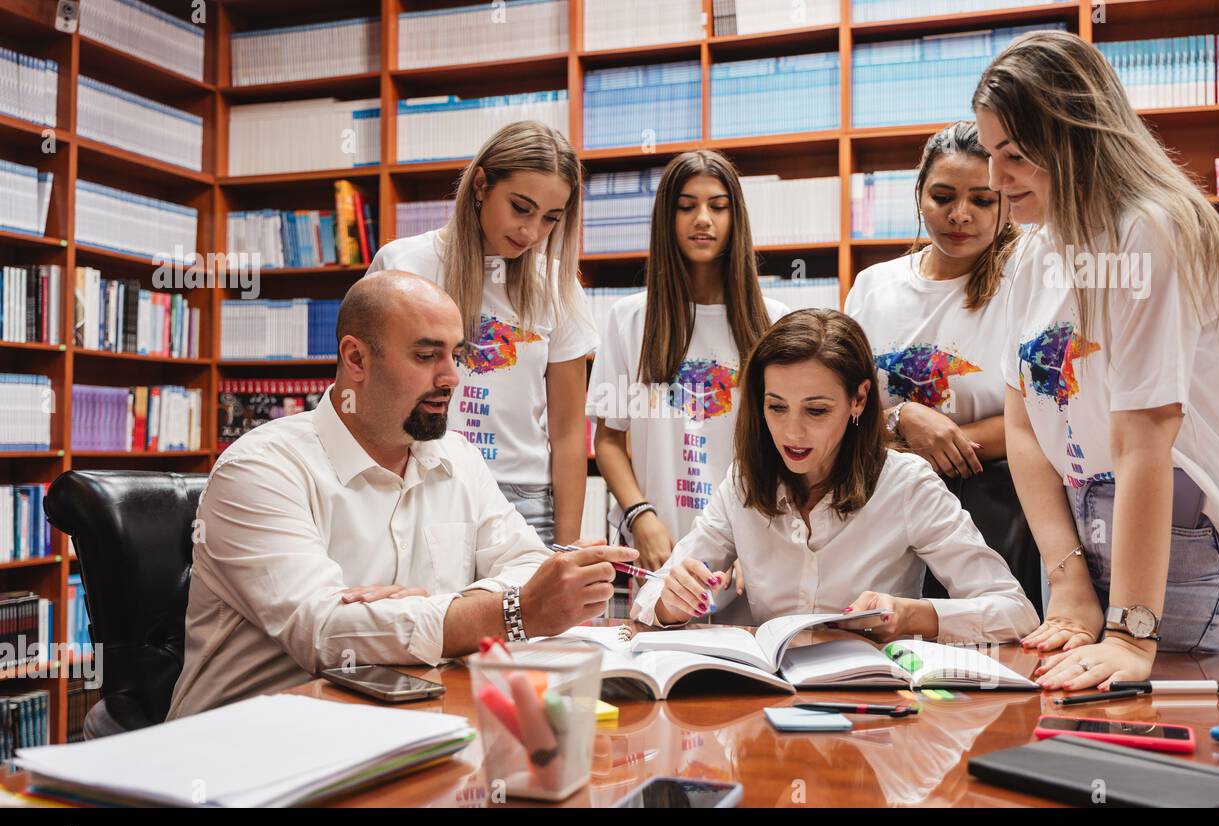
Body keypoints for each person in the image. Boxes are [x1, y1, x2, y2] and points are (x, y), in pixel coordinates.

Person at [168, 270, 635, 718]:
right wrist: (510, 611)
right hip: (246, 753)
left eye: (456, 354)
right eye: (427, 355)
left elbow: (527, 564)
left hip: (394, 728)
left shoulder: (458, 457)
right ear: (356, 360)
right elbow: (326, 633)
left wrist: (433, 609)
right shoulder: (260, 469)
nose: (452, 377)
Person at [971, 30, 1219, 689]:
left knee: (1152, 755)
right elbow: (1022, 425)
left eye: (1013, 155)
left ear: (1073, 140)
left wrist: (1132, 630)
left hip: (1176, 553)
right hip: (1082, 541)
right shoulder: (1034, 250)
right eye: (991, 154)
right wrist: (1068, 576)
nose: (994, 181)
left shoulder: (1151, 230)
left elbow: (1142, 442)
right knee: (1077, 752)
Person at [630, 309, 1038, 646]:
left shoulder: (906, 483)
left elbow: (1015, 612)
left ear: (859, 398)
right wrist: (671, 602)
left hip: (872, 715)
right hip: (769, 705)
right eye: (777, 407)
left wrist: (915, 615)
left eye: (817, 410)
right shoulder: (744, 482)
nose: (792, 433)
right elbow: (651, 596)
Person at [368, 120, 597, 546]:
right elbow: (366, 396)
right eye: (520, 208)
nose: (531, 232)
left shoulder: (558, 287)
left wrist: (564, 549)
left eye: (550, 219)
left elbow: (567, 434)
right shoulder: (404, 265)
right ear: (480, 184)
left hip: (524, 505)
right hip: (419, 488)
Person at [588, 150, 787, 612]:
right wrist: (641, 516)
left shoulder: (775, 322)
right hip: (662, 545)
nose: (703, 219)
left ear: (735, 217)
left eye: (717, 206)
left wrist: (758, 535)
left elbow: (788, 447)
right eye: (686, 206)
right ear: (666, 217)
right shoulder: (627, 319)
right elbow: (610, 440)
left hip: (752, 551)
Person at [845, 121, 1018, 478]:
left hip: (992, 508)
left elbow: (1048, 417)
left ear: (1007, 203)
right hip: (882, 506)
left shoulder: (1025, 283)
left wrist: (945, 442)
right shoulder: (872, 287)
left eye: (982, 200)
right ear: (919, 193)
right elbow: (843, 414)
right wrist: (901, 417)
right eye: (942, 197)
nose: (959, 214)